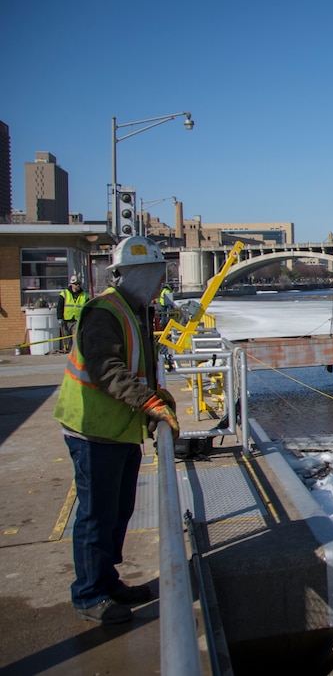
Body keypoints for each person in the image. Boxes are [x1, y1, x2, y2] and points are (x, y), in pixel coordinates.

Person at [53, 236, 180, 625]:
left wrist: (157, 395)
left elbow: (137, 365)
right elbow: (108, 370)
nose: (162, 284)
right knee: (96, 515)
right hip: (93, 431)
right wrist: (149, 403)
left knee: (119, 510)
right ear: (138, 274)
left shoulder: (134, 309)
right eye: (158, 275)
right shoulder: (104, 312)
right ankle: (89, 594)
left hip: (121, 431)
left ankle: (107, 581)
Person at [57, 275, 88, 353]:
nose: (77, 285)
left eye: (78, 284)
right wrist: (59, 318)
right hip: (66, 320)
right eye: (75, 284)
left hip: (77, 320)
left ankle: (75, 353)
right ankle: (69, 351)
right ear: (71, 284)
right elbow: (60, 307)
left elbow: (88, 308)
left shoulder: (84, 295)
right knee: (67, 339)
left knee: (76, 338)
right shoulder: (64, 294)